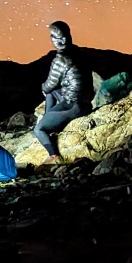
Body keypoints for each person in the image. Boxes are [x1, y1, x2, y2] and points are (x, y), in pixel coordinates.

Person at [33, 20, 91, 160]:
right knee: (52, 91)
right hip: (85, 101)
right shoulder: (78, 52)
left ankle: (53, 154)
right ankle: (49, 118)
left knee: (38, 129)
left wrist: (43, 88)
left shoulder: (60, 60)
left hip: (74, 107)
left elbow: (49, 84)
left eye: (53, 36)